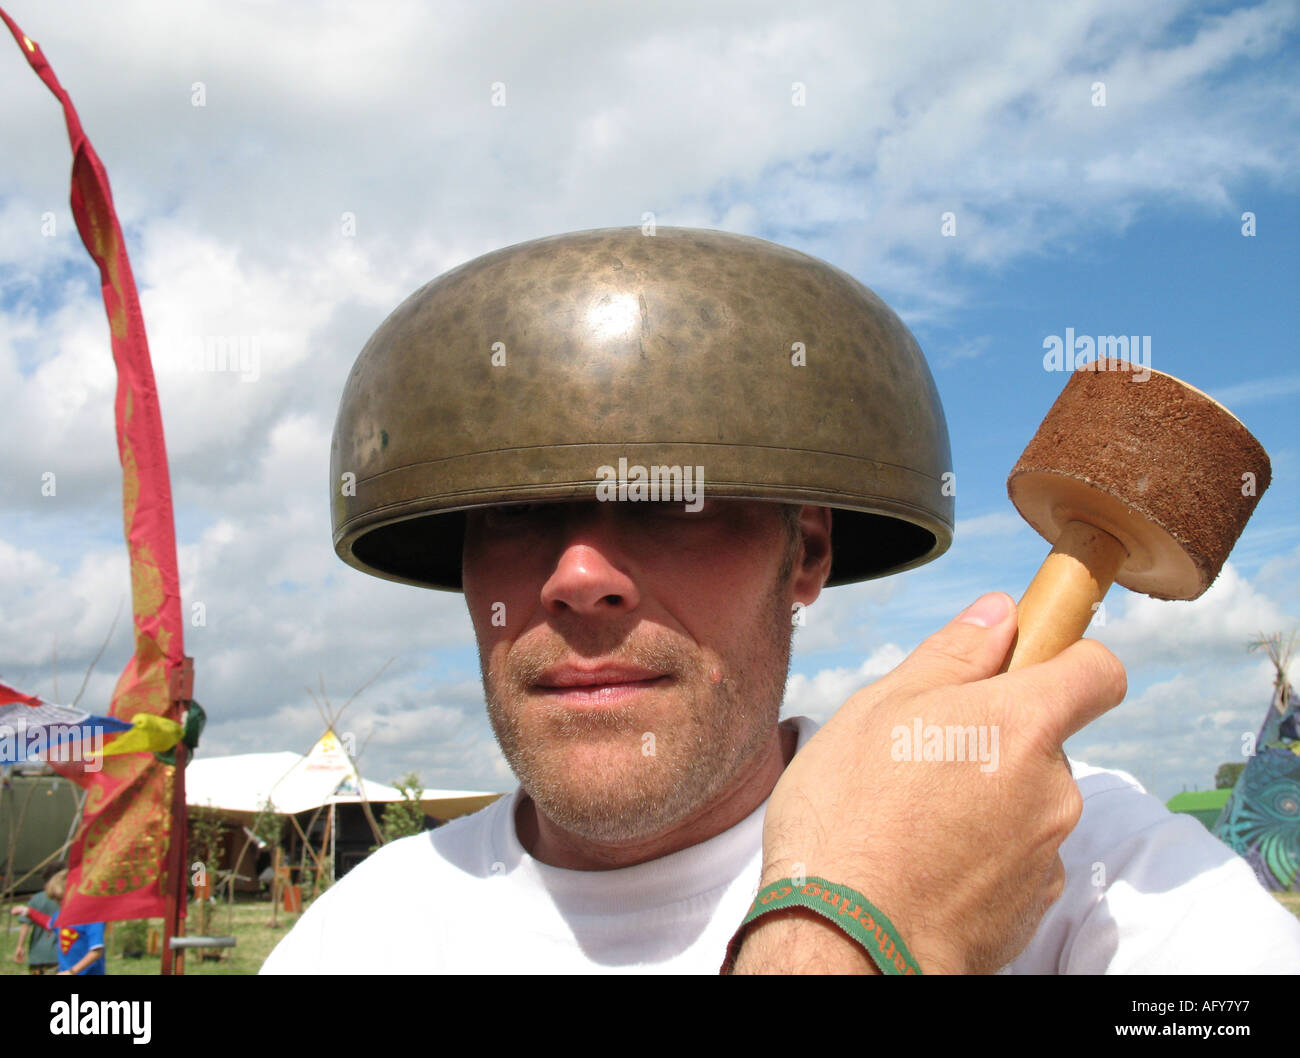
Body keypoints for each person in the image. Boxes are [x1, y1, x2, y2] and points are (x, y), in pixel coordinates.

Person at [263, 227, 1300, 974]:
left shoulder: (1079, 860)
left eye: (670, 504)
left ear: (804, 552)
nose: (577, 574)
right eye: (515, 513)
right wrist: (854, 938)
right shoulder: (367, 937)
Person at [10, 867, 106, 975]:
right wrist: (28, 912)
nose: (58, 903)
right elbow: (49, 923)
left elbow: (96, 951)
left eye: (60, 899)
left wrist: (72, 971)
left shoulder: (92, 918)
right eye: (56, 900)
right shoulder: (61, 915)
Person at [11, 864, 61, 974]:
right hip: (58, 956)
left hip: (37, 956)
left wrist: (20, 946)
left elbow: (25, 925)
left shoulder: (37, 899)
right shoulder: (66, 899)